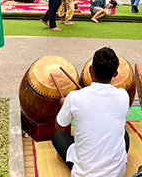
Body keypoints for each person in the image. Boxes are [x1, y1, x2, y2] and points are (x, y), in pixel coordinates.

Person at [52, 47, 130, 177]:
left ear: (90, 70)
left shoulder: (74, 97)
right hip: (117, 173)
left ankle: (69, 160)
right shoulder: (123, 95)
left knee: (57, 136)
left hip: (84, 174)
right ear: (115, 74)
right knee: (124, 135)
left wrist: (63, 105)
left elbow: (59, 128)